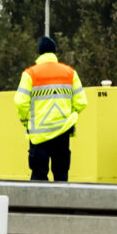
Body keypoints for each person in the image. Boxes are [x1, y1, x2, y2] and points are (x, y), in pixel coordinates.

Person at [13, 35, 86, 182]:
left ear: (40, 53)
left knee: (39, 176)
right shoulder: (70, 73)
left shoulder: (30, 74)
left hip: (39, 134)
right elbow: (81, 102)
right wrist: (69, 117)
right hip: (63, 132)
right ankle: (61, 205)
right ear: (54, 52)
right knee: (61, 174)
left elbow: (20, 102)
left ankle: (40, 205)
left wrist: (26, 121)